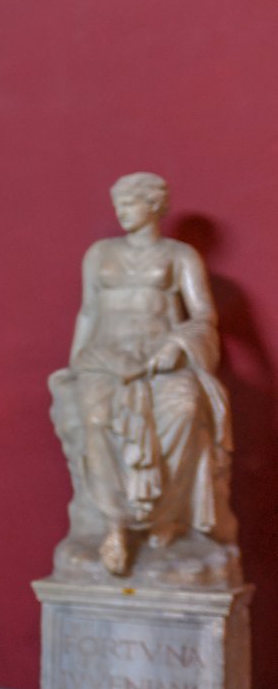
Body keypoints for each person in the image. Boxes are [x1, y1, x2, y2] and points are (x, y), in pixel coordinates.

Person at [52, 172, 232, 578]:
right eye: (117, 203)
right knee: (96, 422)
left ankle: (163, 516)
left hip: (159, 359)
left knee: (184, 410)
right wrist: (73, 367)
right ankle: (115, 523)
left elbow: (203, 315)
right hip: (105, 359)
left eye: (130, 203)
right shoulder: (99, 254)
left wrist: (176, 347)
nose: (121, 211)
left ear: (154, 206)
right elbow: (88, 312)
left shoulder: (179, 255)